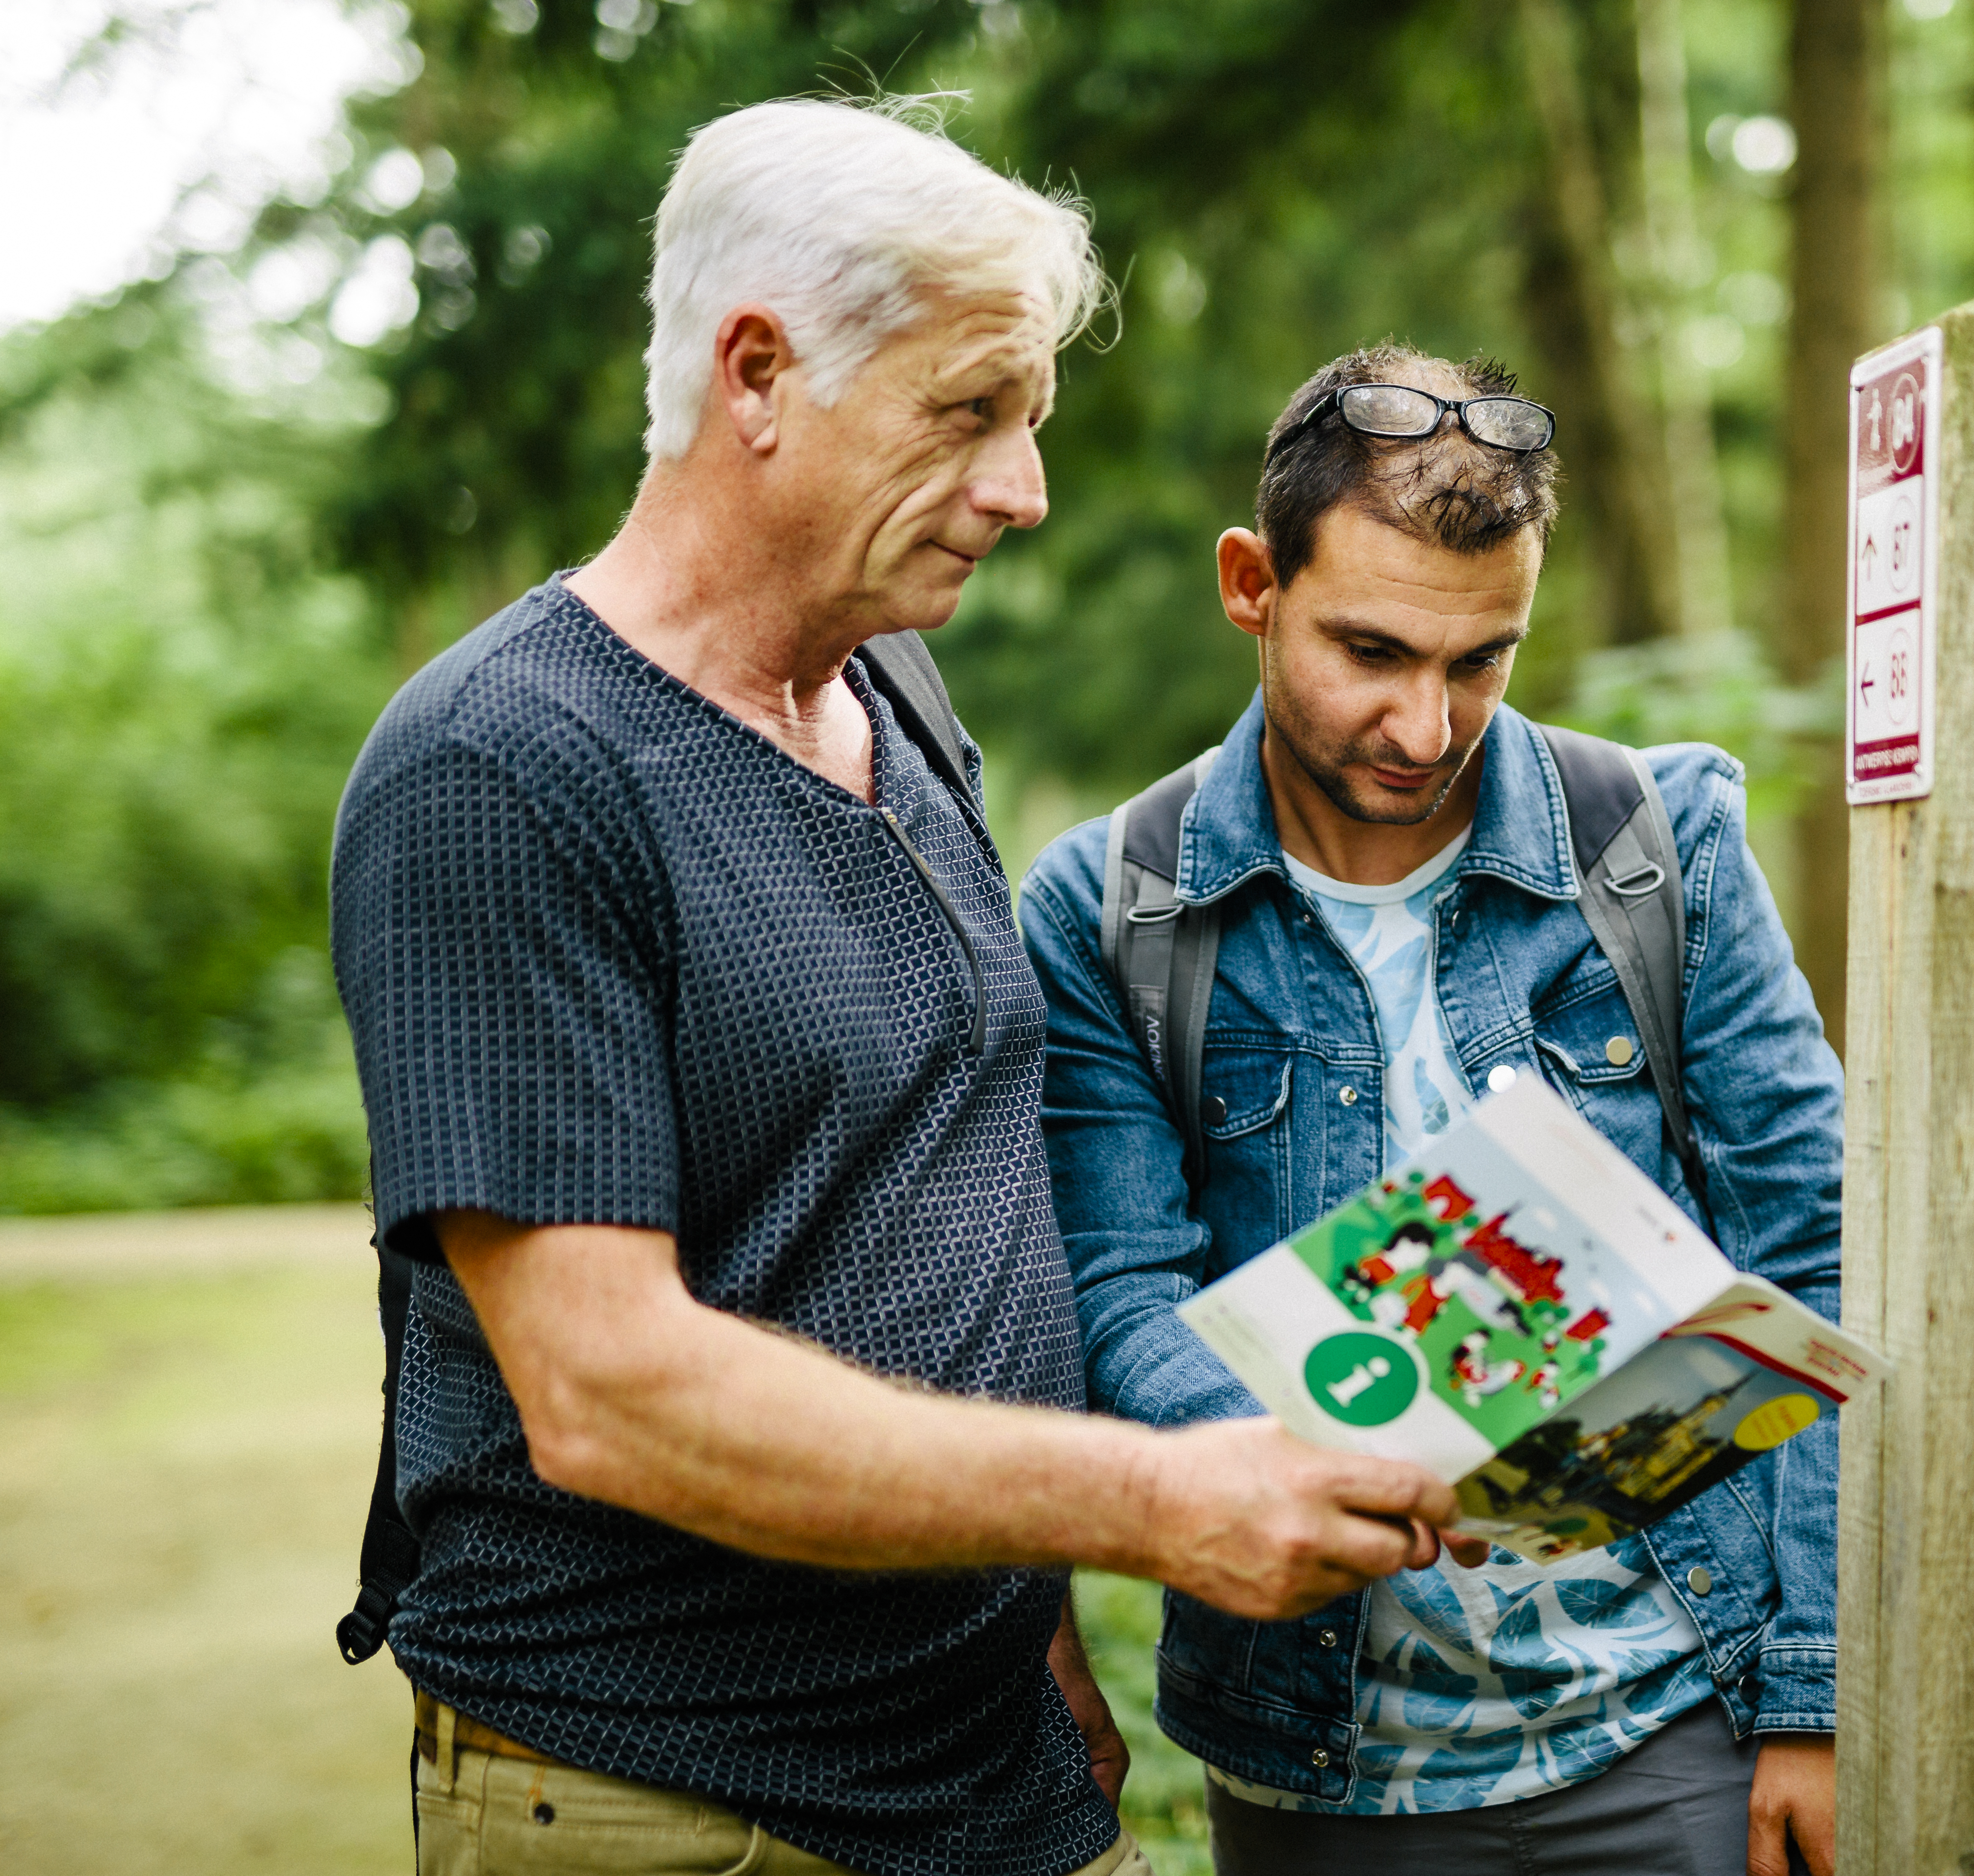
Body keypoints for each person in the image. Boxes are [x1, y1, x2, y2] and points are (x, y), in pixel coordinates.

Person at [327, 102, 1461, 1876]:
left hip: (993, 1764)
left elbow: (932, 1189)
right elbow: (608, 1390)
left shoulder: (898, 688)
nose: (1025, 488)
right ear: (759, 374)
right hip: (681, 1802)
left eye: (1031, 419)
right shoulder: (502, 769)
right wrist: (1155, 1502)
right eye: (970, 412)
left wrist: (1045, 1640)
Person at [1020, 344, 1847, 1876]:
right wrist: (1319, 1462)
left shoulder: (1659, 849)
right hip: (1322, 1760)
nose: (1424, 725)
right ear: (1250, 583)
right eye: (1374, 652)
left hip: (1679, 1719)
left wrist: (1815, 1703)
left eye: (1482, 662)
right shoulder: (1110, 908)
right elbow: (1117, 1288)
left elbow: (1811, 1244)